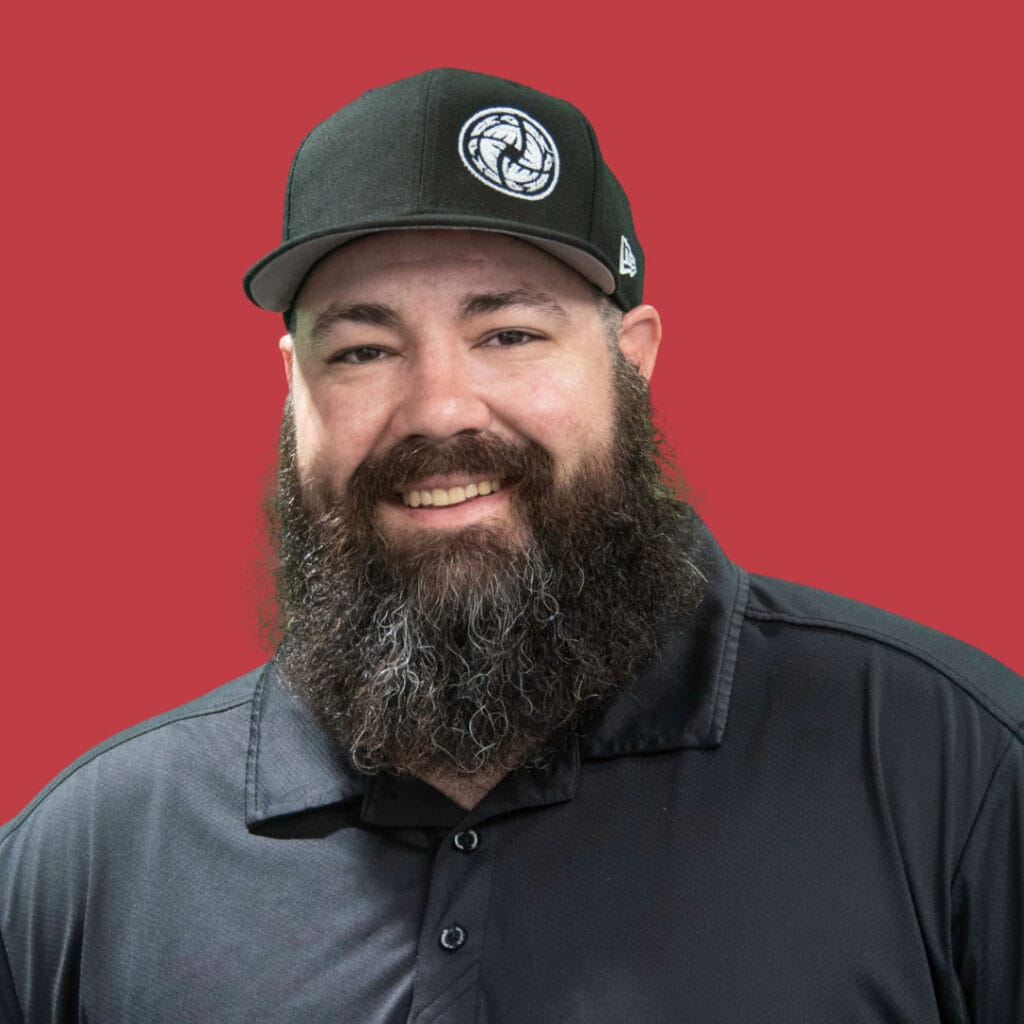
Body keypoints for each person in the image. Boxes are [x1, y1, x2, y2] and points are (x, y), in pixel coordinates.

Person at [1, 67, 1020, 1024]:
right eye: (362, 350)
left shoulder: (950, 770)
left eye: (509, 335)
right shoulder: (87, 862)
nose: (438, 408)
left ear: (630, 362)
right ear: (293, 387)